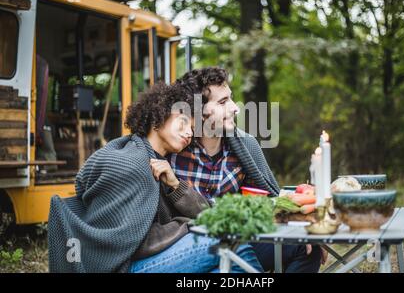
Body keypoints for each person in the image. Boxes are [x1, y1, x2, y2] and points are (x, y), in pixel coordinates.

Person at [47, 81, 262, 273]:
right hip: (125, 265)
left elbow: (203, 212)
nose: (189, 133)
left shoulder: (160, 162)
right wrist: (186, 224)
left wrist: (176, 185)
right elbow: (129, 241)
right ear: (158, 118)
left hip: (150, 258)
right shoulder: (132, 163)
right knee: (231, 245)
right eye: (183, 122)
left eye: (192, 128)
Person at [170, 67, 326, 273]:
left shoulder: (246, 145)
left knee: (306, 248)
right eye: (223, 102)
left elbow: (270, 199)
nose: (235, 108)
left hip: (242, 239)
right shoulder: (174, 150)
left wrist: (300, 228)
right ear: (197, 110)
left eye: (231, 99)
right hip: (192, 247)